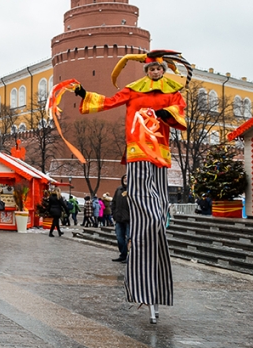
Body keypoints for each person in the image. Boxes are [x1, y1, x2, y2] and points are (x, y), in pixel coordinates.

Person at [74, 50, 190, 324]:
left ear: (163, 70)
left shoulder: (173, 93)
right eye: (151, 70)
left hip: (160, 154)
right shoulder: (133, 91)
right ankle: (142, 269)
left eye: (159, 70)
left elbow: (180, 115)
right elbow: (109, 101)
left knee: (158, 210)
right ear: (146, 71)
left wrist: (167, 113)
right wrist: (83, 93)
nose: (155, 73)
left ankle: (157, 229)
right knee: (141, 206)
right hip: (137, 151)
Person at [112, 176, 130, 263]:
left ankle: (128, 256)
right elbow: (113, 202)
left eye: (127, 178)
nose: (126, 179)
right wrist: (114, 214)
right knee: (120, 238)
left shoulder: (133, 190)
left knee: (129, 238)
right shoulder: (118, 189)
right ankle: (123, 254)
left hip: (129, 219)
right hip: (119, 218)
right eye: (124, 178)